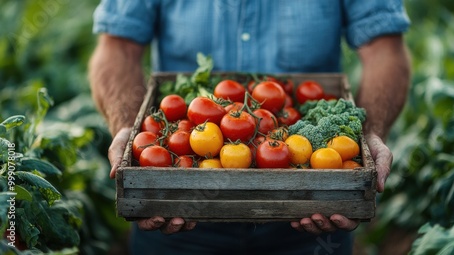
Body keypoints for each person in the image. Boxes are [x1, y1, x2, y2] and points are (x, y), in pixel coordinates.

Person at [88, 1, 411, 254]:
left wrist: (370, 133)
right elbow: (117, 50)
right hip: (175, 212)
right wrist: (127, 131)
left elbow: (386, 51)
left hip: (312, 212)